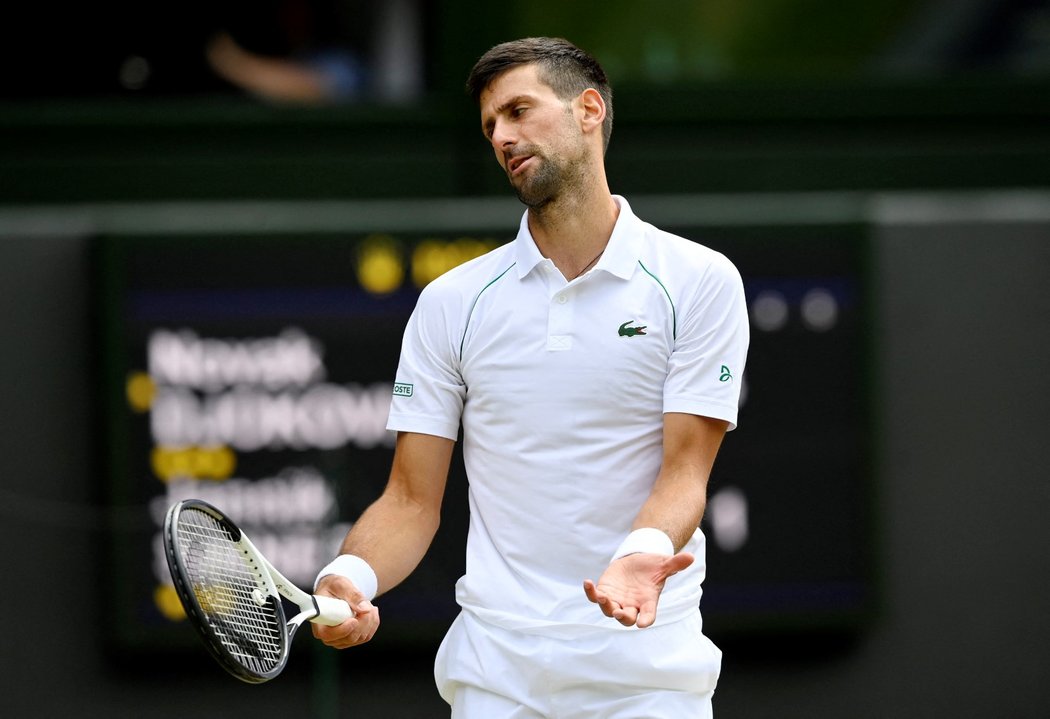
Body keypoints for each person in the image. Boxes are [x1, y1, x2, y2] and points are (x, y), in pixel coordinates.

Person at [312, 36, 749, 718]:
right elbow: (409, 500)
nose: (503, 137)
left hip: (647, 679)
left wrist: (640, 552)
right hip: (496, 680)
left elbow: (684, 473)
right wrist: (349, 576)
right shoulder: (452, 302)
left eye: (519, 111)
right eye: (491, 125)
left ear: (589, 110)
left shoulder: (699, 281)